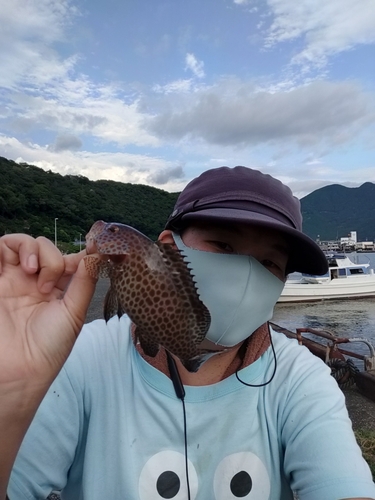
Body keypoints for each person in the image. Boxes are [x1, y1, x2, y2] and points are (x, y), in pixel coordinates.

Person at [0, 166, 374, 500]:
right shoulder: (80, 358)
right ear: (167, 248)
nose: (246, 275)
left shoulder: (300, 380)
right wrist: (12, 392)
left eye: (269, 262)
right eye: (223, 244)